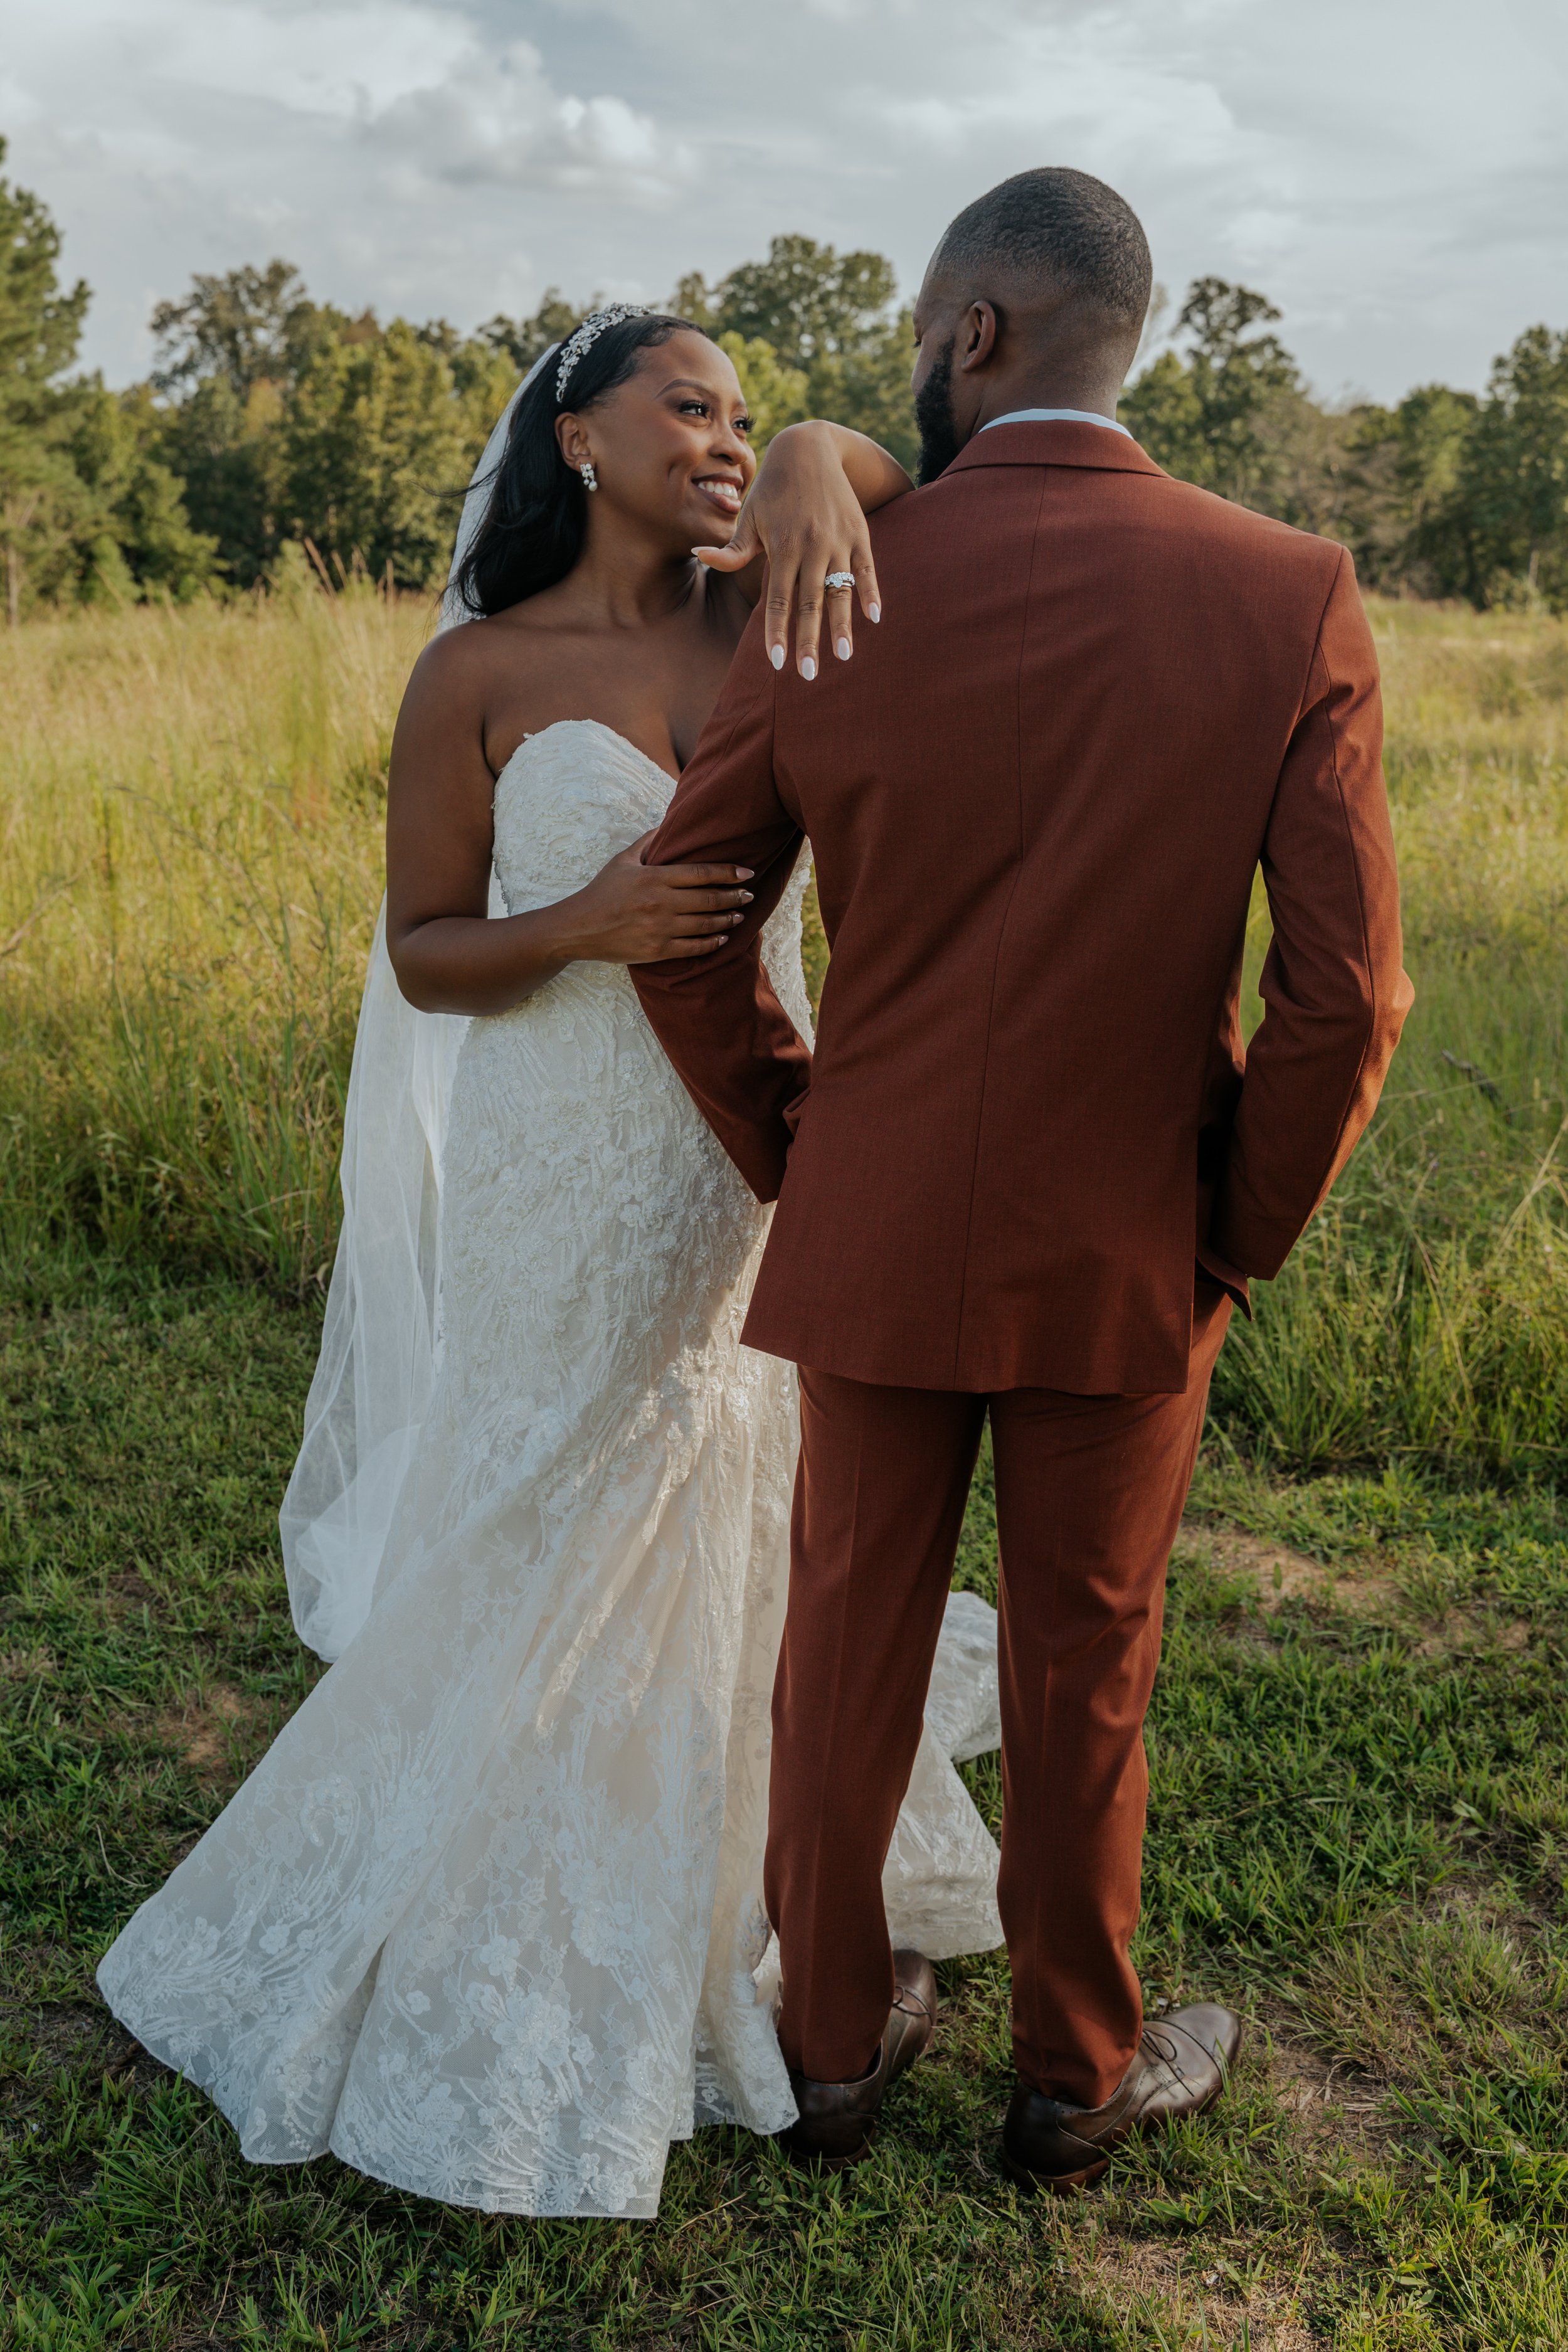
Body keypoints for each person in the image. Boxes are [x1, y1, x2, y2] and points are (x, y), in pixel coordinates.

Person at [97, 311, 1004, 2219]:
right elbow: (427, 947)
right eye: (692, 405)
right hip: (560, 1148)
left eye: (744, 413)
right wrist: (586, 916)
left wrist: (832, 440)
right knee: (540, 1492)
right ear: (578, 439)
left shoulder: (783, 615)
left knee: (731, 1485)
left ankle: (731, 1874)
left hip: (753, 1151)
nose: (726, 437)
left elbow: (916, 498)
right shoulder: (482, 676)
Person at [632, 171, 1414, 2189]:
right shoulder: (1284, 587)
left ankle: (823, 2055)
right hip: (1128, 1245)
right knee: (1089, 1657)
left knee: (843, 1639)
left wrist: (799, 1140)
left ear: (971, 331)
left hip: (877, 1218)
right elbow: (1347, 997)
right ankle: (1072, 2077)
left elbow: (689, 915)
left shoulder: (840, 583)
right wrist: (1229, 1226)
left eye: (915, 321)